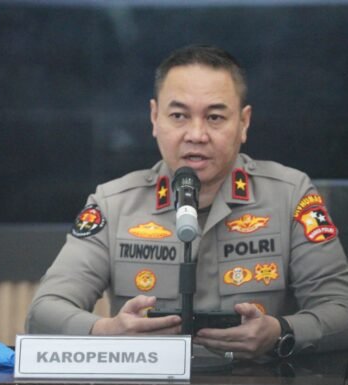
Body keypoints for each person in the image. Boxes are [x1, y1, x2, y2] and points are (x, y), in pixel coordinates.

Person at [26, 44, 348, 360]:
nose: (196, 134)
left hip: (257, 384)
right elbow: (43, 312)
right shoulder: (114, 204)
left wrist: (280, 332)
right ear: (155, 118)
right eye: (179, 115)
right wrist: (107, 332)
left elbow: (341, 309)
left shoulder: (290, 195)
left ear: (244, 123)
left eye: (215, 117)